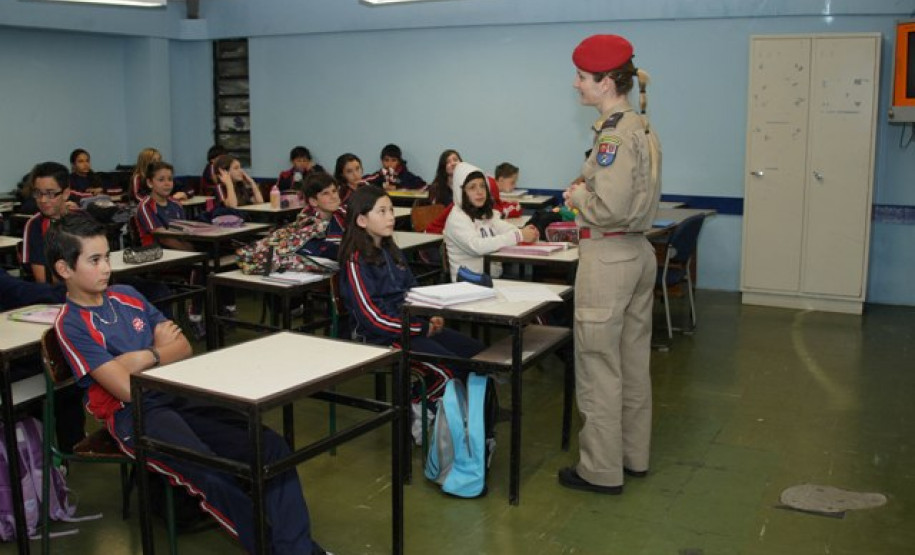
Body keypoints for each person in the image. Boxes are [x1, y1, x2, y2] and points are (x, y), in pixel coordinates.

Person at [48, 212, 327, 554]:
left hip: (176, 393)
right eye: (94, 260)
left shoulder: (127, 295)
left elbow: (182, 346)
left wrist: (141, 357)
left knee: (270, 446)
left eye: (107, 257)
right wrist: (158, 351)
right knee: (212, 474)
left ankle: (296, 549)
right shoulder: (71, 324)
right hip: (134, 414)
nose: (106, 267)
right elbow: (123, 388)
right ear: (64, 269)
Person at [557, 34, 662, 495]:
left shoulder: (615, 134)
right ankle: (632, 457)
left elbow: (612, 206)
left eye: (582, 77)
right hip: (638, 252)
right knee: (632, 364)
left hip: (610, 254)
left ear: (605, 83)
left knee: (600, 366)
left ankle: (600, 470)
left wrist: (579, 195)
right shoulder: (639, 125)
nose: (576, 84)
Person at [337, 186, 483, 406]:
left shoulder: (391, 249)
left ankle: (472, 422)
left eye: (391, 211)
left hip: (409, 327)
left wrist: (429, 315)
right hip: (380, 337)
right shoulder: (355, 260)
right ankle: (415, 411)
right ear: (361, 221)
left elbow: (413, 290)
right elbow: (372, 318)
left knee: (479, 355)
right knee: (449, 370)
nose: (391, 217)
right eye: (382, 212)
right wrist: (421, 328)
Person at [443, 162, 538, 282]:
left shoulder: (485, 213)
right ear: (461, 191)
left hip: (493, 281)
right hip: (468, 286)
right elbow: (477, 246)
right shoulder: (457, 218)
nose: (479, 191)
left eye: (482, 186)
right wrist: (519, 235)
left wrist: (526, 234)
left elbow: (507, 229)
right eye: (472, 187)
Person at [22, 161, 79, 283]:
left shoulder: (82, 218)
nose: (42, 200)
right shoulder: (34, 225)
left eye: (50, 194)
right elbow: (43, 279)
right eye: (38, 193)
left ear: (66, 193)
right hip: (56, 295)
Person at [295, 172, 346, 259]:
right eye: (325, 193)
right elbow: (317, 251)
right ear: (313, 201)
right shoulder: (306, 221)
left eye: (334, 191)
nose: (333, 196)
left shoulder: (344, 213)